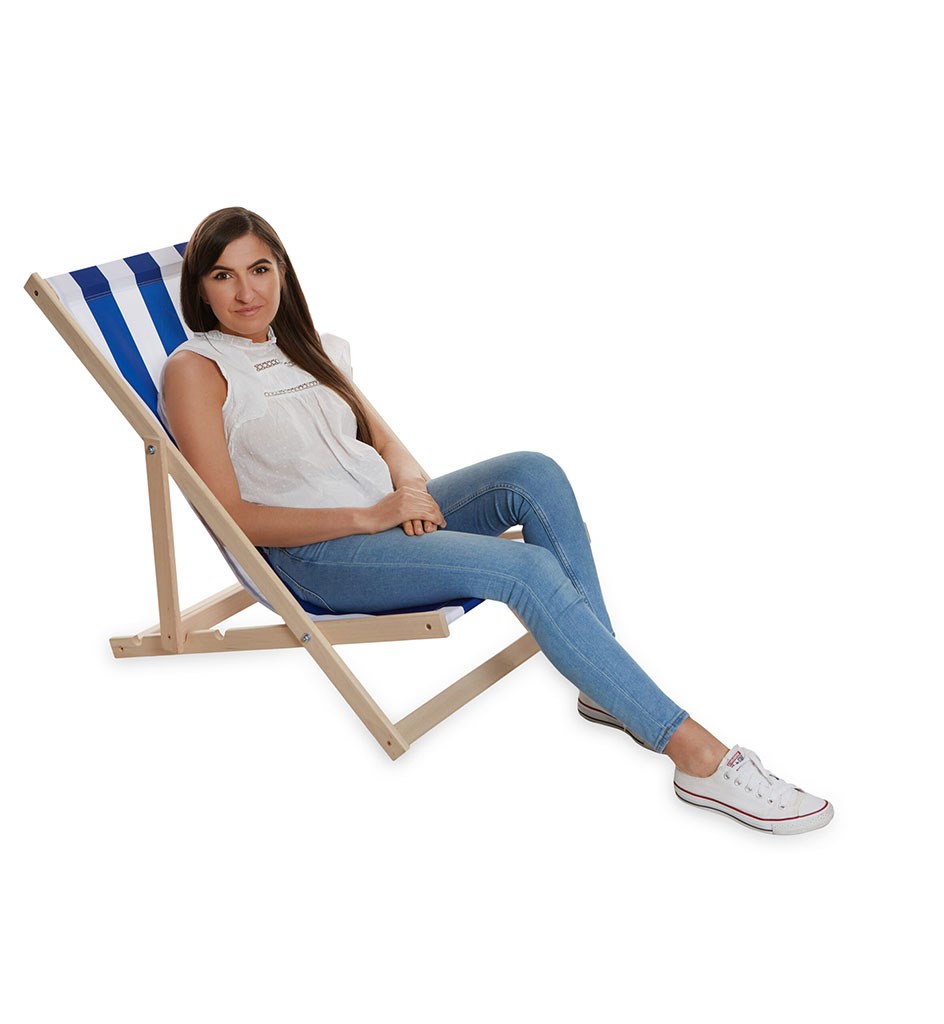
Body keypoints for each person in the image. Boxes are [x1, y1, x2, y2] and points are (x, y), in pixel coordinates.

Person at [159, 206, 834, 836]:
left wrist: (410, 490)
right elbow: (235, 519)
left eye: (259, 269)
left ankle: (604, 685)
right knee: (525, 568)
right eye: (223, 275)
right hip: (321, 557)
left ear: (281, 270)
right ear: (201, 289)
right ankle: (699, 759)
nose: (246, 292)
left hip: (385, 521)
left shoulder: (308, 347)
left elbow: (387, 443)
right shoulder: (197, 370)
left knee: (531, 473)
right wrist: (373, 514)